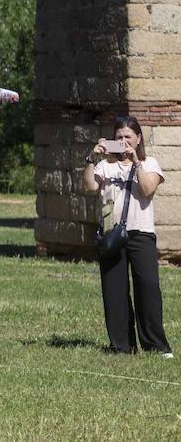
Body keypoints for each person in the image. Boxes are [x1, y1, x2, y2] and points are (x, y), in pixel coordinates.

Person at [83, 116, 173, 356]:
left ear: (138, 138)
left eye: (128, 137)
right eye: (119, 137)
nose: (123, 142)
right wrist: (92, 158)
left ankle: (156, 345)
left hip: (140, 233)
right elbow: (90, 187)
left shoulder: (149, 163)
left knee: (148, 288)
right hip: (112, 234)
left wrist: (135, 161)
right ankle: (122, 346)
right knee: (115, 292)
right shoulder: (105, 166)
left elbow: (147, 189)